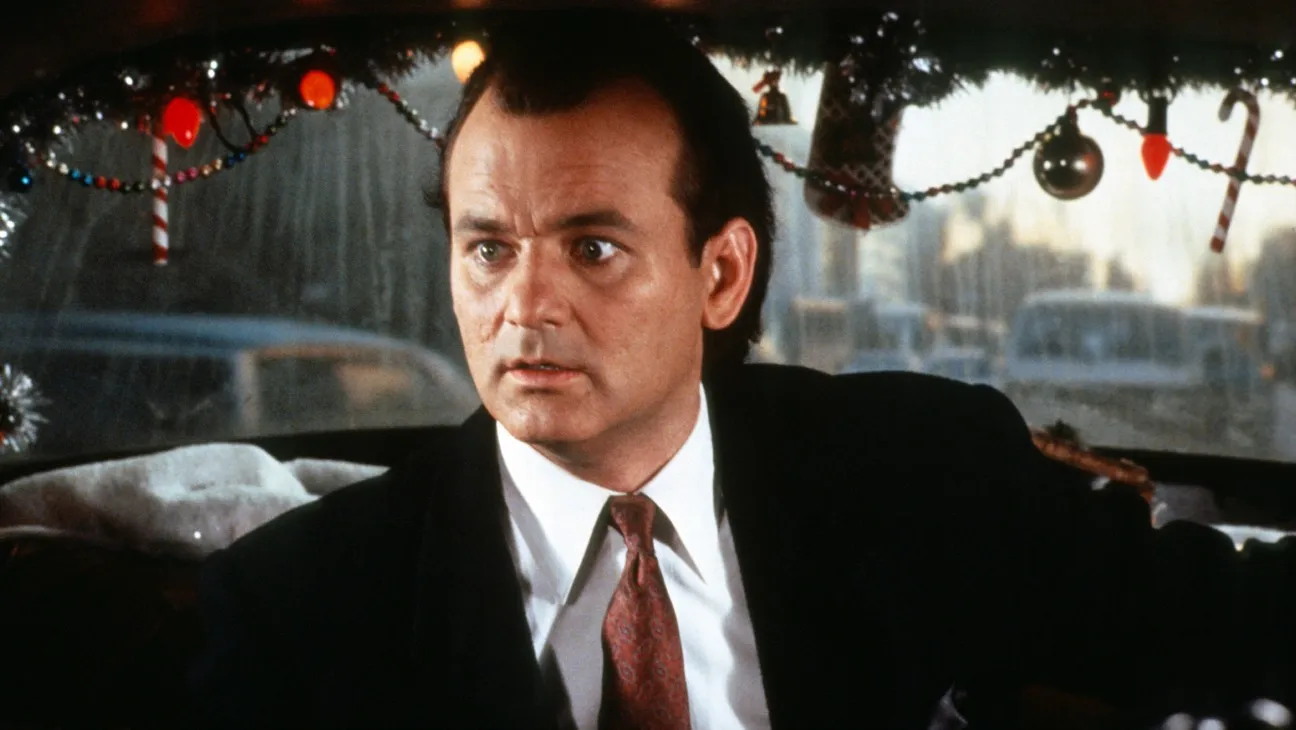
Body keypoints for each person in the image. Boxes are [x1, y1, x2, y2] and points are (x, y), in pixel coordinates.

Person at [190, 13, 1296, 729]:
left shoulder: (923, 474)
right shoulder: (302, 605)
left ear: (720, 273)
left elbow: (1230, 623)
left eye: (592, 248)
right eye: (488, 249)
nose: (523, 307)